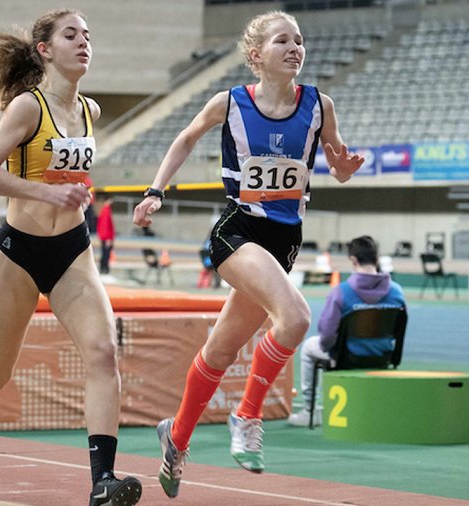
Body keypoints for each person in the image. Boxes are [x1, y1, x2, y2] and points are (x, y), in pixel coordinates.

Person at [132, 10, 364, 499]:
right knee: (297, 318)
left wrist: (346, 168)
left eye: (299, 41)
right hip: (237, 232)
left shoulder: (320, 105)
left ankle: (175, 438)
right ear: (257, 56)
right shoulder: (231, 102)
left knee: (220, 349)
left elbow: (339, 166)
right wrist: (156, 190)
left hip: (285, 240)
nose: (295, 48)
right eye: (283, 40)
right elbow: (186, 137)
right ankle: (248, 414)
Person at [0, 9, 142, 506]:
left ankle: (102, 482)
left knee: (104, 353)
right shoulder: (26, 107)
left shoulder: (91, 111)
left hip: (72, 252)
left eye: (89, 34)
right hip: (18, 253)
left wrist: (70, 195)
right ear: (45, 49)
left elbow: (67, 174)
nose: (84, 42)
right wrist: (46, 194)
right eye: (71, 35)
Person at [286, 236, 407, 427]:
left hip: (348, 357)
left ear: (353, 260)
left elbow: (326, 336)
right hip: (383, 356)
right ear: (377, 259)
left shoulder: (341, 292)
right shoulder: (397, 292)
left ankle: (309, 411)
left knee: (309, 347)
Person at [96, 192, 115, 275]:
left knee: (105, 254)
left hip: (104, 236)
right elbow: (105, 225)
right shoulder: (106, 211)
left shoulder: (105, 210)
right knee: (105, 255)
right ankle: (104, 270)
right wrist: (108, 238)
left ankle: (104, 270)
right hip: (106, 237)